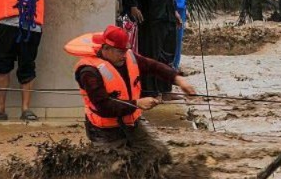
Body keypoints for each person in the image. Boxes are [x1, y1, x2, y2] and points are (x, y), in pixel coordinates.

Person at [67, 25, 196, 149]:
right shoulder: (89, 72)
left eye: (125, 50)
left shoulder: (128, 56)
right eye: (120, 52)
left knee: (158, 154)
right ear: (106, 48)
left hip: (132, 123)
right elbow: (103, 106)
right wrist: (137, 103)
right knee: (119, 167)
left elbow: (153, 66)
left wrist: (178, 79)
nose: (124, 55)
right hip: (104, 130)